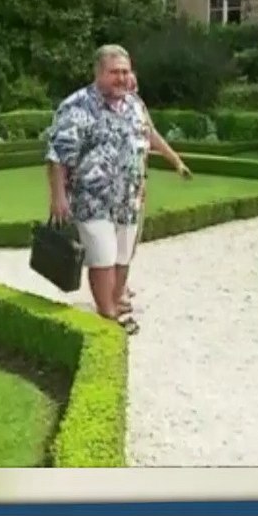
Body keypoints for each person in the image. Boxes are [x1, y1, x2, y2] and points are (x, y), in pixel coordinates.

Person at [46, 44, 148, 335]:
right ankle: (107, 312)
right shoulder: (78, 106)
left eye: (125, 71)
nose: (121, 77)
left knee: (123, 255)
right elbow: (58, 155)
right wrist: (58, 196)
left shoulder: (133, 104)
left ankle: (115, 302)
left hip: (127, 198)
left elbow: (141, 144)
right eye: (114, 72)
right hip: (92, 198)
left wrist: (142, 183)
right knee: (102, 255)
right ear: (99, 73)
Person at [116, 72, 193, 315]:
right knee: (119, 241)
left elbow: (154, 136)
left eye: (133, 83)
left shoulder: (138, 107)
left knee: (131, 241)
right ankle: (114, 293)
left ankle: (120, 286)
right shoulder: (110, 110)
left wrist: (177, 162)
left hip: (139, 187)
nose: (132, 87)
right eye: (129, 83)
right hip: (116, 188)